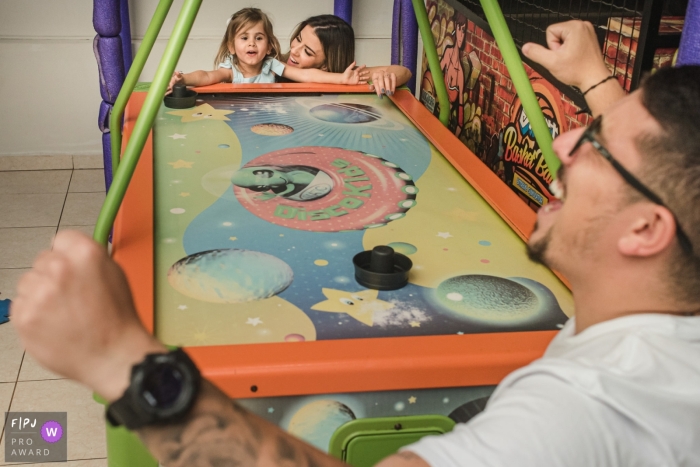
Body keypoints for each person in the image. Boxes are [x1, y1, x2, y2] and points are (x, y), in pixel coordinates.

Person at [11, 20, 700, 466]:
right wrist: (597, 83)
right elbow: (665, 173)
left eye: (597, 144)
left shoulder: (583, 409)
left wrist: (124, 361)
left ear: (645, 230)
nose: (566, 139)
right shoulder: (671, 302)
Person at [167, 8, 368, 92]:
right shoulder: (232, 70)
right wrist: (183, 79)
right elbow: (206, 76)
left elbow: (307, 76)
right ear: (231, 47)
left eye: (259, 38)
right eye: (244, 38)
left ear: (270, 45)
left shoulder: (274, 65)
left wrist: (341, 79)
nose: (252, 44)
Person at [280, 14, 413, 98]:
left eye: (307, 51)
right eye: (298, 38)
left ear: (326, 65)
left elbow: (404, 72)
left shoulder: (344, 76)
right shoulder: (275, 63)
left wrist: (385, 77)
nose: (294, 50)